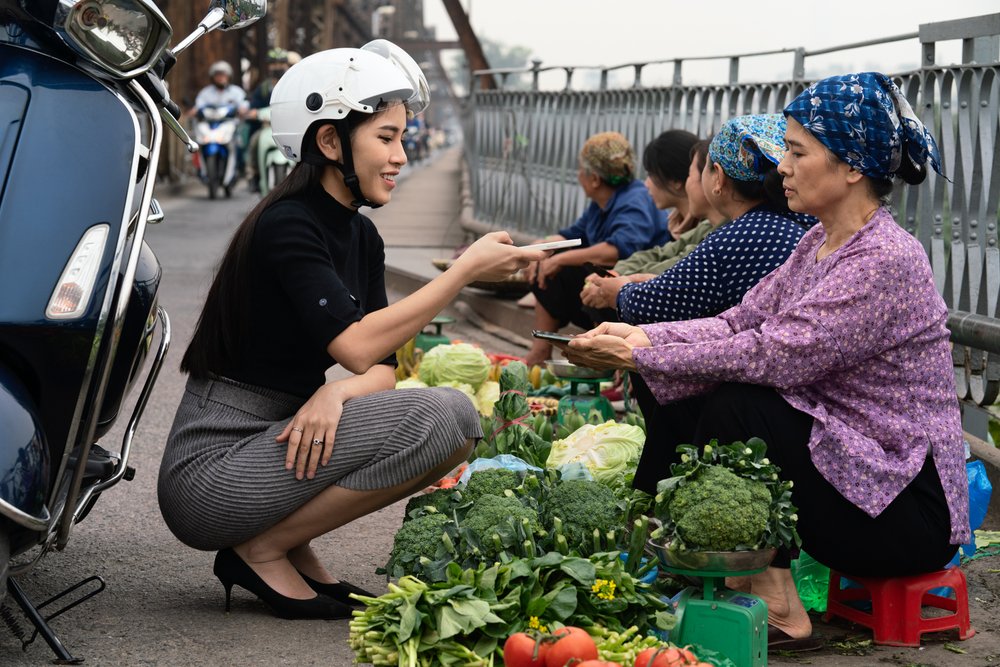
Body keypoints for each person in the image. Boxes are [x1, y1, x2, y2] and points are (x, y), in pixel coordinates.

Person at [558, 72, 969, 650]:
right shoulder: (817, 244)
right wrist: (643, 342)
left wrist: (640, 348)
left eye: (798, 153)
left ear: (851, 167)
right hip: (853, 477)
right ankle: (702, 555)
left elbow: (772, 354)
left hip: (904, 506)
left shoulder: (885, 260)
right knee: (674, 378)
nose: (784, 167)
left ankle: (778, 606)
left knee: (740, 403)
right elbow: (738, 322)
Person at [157, 40, 547, 621]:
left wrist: (335, 389)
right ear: (330, 141)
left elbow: (381, 368)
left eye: (403, 140)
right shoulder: (287, 224)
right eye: (386, 138)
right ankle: (261, 548)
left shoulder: (363, 236)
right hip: (213, 473)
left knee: (455, 423)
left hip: (273, 446)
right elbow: (357, 345)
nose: (400, 157)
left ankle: (283, 542)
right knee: (448, 415)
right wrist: (464, 270)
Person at [522, 131, 670, 366]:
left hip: (635, 294)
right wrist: (542, 246)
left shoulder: (634, 200)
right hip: (608, 289)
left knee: (560, 267)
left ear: (594, 179)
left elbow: (618, 249)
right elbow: (573, 235)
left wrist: (559, 260)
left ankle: (600, 363)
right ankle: (540, 352)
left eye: (582, 170)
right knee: (544, 264)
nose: (579, 175)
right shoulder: (600, 205)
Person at [580, 139, 727, 314]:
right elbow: (664, 253)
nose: (646, 183)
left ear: (717, 179)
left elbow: (677, 264)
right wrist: (616, 275)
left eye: (690, 175)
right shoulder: (705, 226)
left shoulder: (727, 234)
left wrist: (620, 281)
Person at [245, 49, 301, 192]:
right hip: (266, 127)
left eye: (280, 63)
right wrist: (252, 112)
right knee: (253, 142)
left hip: (289, 128)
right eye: (273, 64)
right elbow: (253, 106)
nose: (277, 67)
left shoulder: (294, 84)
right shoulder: (263, 88)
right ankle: (253, 174)